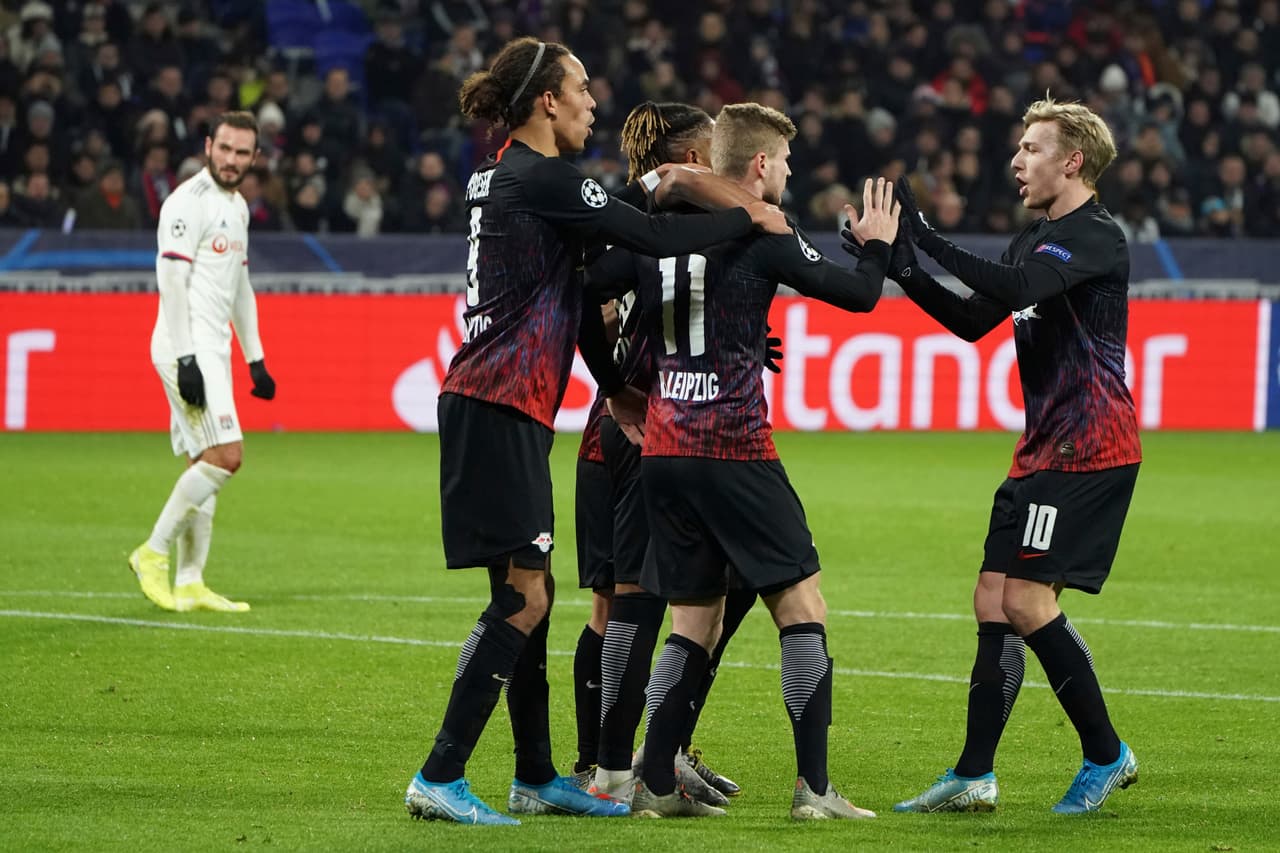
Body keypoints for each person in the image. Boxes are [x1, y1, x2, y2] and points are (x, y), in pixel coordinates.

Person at [403, 38, 788, 827]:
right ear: (547, 100)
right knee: (523, 597)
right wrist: (750, 216)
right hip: (497, 404)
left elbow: (581, 280)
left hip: (499, 404)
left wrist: (612, 387)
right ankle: (440, 773)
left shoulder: (505, 176)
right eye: (580, 89)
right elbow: (653, 237)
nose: (591, 102)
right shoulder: (543, 178)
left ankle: (536, 775)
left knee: (531, 597)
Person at [587, 102, 898, 819]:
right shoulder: (763, 228)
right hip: (734, 446)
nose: (786, 173)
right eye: (784, 161)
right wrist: (876, 247)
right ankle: (815, 790)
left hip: (664, 448)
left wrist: (616, 386)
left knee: (694, 621)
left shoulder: (655, 234)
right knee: (802, 605)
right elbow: (859, 296)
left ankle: (655, 783)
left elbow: (584, 288)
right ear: (759, 164)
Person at [865, 95, 1141, 814]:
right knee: (993, 597)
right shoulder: (1034, 239)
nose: (1017, 161)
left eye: (1032, 148)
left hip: (1090, 445)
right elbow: (970, 320)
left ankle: (1106, 753)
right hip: (1042, 444)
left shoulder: (1095, 236)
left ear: (1073, 161)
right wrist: (903, 265)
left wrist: (927, 235)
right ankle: (974, 773)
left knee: (1024, 598)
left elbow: (1020, 288)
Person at [573, 101, 768, 806]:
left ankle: (643, 757)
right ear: (689, 160)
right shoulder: (663, 228)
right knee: (638, 599)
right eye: (714, 151)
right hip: (649, 426)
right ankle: (616, 769)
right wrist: (618, 391)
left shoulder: (639, 223)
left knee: (667, 593)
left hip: (636, 427)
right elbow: (592, 302)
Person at [128, 111, 276, 614]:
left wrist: (255, 358)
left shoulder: (236, 206)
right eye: (225, 149)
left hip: (214, 349)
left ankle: (190, 581)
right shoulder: (186, 202)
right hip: (184, 347)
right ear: (209, 146)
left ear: (254, 158)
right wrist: (187, 357)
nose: (231, 160)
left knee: (203, 462)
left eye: (242, 152)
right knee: (226, 456)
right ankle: (153, 552)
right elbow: (170, 280)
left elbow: (240, 286)